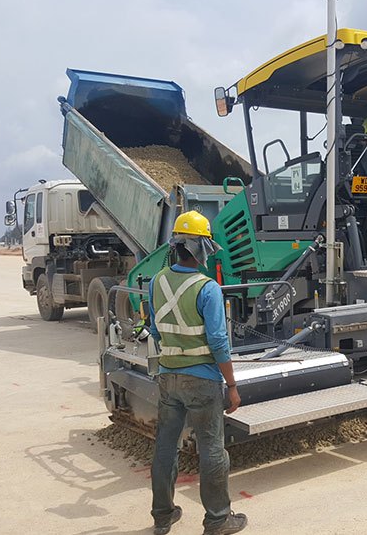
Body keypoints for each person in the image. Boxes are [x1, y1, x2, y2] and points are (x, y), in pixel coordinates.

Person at [148, 211, 247, 535]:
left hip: (168, 377)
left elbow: (156, 330)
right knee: (212, 449)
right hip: (202, 381)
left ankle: (163, 516)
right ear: (202, 249)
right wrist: (231, 385)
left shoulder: (156, 281)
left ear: (176, 246)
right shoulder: (208, 288)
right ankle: (218, 519)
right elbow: (218, 340)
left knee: (165, 446)